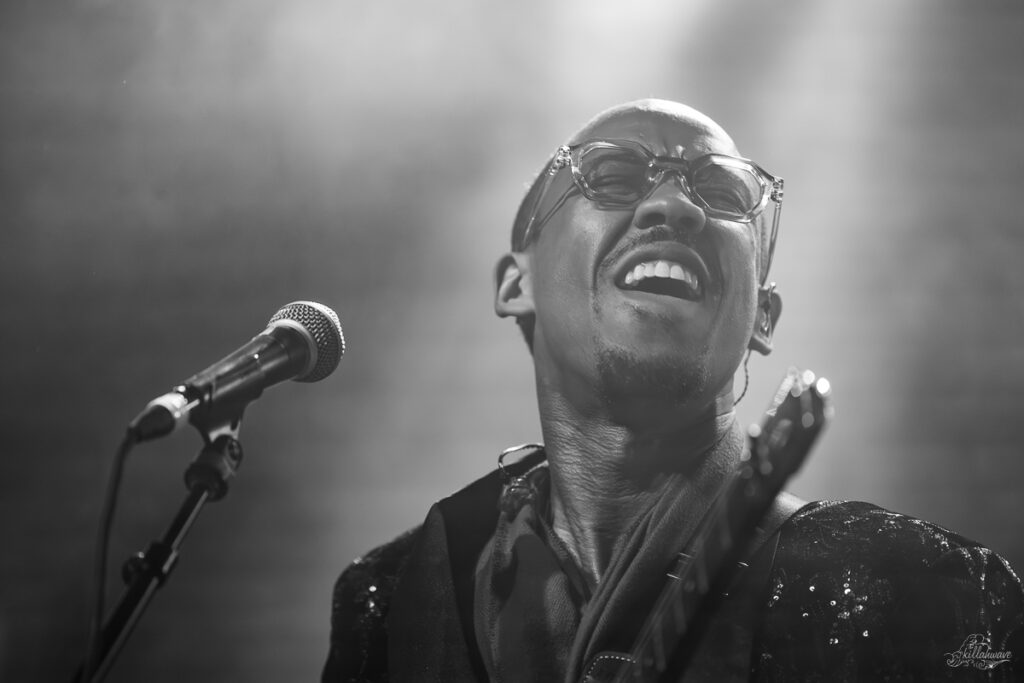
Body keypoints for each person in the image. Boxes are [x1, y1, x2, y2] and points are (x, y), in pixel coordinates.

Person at [322, 99, 1023, 682]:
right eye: (613, 175)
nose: (674, 205)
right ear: (515, 284)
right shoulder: (395, 600)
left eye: (722, 193)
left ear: (763, 316)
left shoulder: (930, 591)